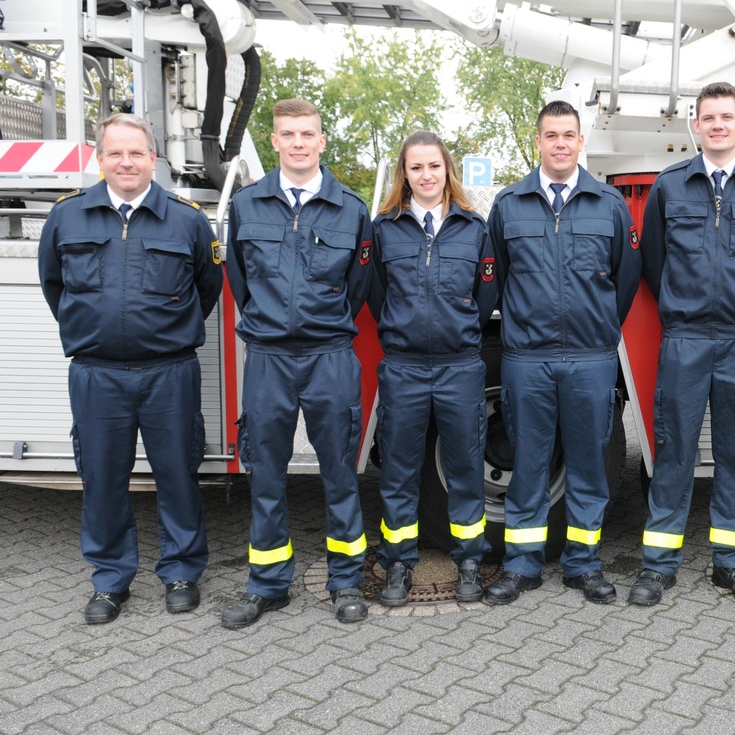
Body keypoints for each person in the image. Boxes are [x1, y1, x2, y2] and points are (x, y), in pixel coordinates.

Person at [38, 112, 223, 624]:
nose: (126, 162)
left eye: (136, 152)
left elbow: (206, 288)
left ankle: (182, 571)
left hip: (170, 371)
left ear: (153, 160)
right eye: (115, 152)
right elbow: (54, 286)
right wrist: (95, 330)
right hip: (97, 373)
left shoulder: (186, 219)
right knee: (101, 476)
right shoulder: (67, 217)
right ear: (100, 159)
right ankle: (109, 579)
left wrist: (161, 331)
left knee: (178, 472)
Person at [221, 98, 375, 628]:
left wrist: (321, 324)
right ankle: (268, 584)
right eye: (288, 135)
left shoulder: (351, 209)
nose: (299, 143)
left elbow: (358, 287)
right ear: (276, 140)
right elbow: (240, 281)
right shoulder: (246, 205)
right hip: (267, 358)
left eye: (307, 134)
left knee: (339, 471)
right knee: (265, 472)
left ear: (322, 140)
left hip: (329, 355)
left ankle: (347, 579)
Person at [632, 81, 735, 607]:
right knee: (674, 451)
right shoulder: (670, 186)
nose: (717, 125)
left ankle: (732, 564)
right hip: (686, 340)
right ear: (694, 125)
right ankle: (658, 565)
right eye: (707, 117)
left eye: (726, 116)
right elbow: (653, 261)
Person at [485, 99, 641, 605]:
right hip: (527, 358)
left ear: (580, 142)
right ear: (538, 142)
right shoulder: (509, 204)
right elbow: (498, 277)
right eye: (550, 134)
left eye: (568, 135)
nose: (560, 143)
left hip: (591, 358)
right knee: (528, 462)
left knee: (589, 464)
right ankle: (522, 565)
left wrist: (598, 330)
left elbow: (626, 277)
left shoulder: (609, 204)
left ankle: (583, 563)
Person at [367, 131, 498, 605]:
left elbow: (485, 299)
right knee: (399, 469)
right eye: (416, 167)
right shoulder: (383, 228)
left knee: (465, 466)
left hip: (460, 366)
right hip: (402, 367)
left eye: (434, 166)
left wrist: (456, 328)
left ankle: (468, 560)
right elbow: (376, 293)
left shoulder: (474, 228)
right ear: (404, 174)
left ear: (448, 171)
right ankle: (399, 563)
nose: (426, 175)